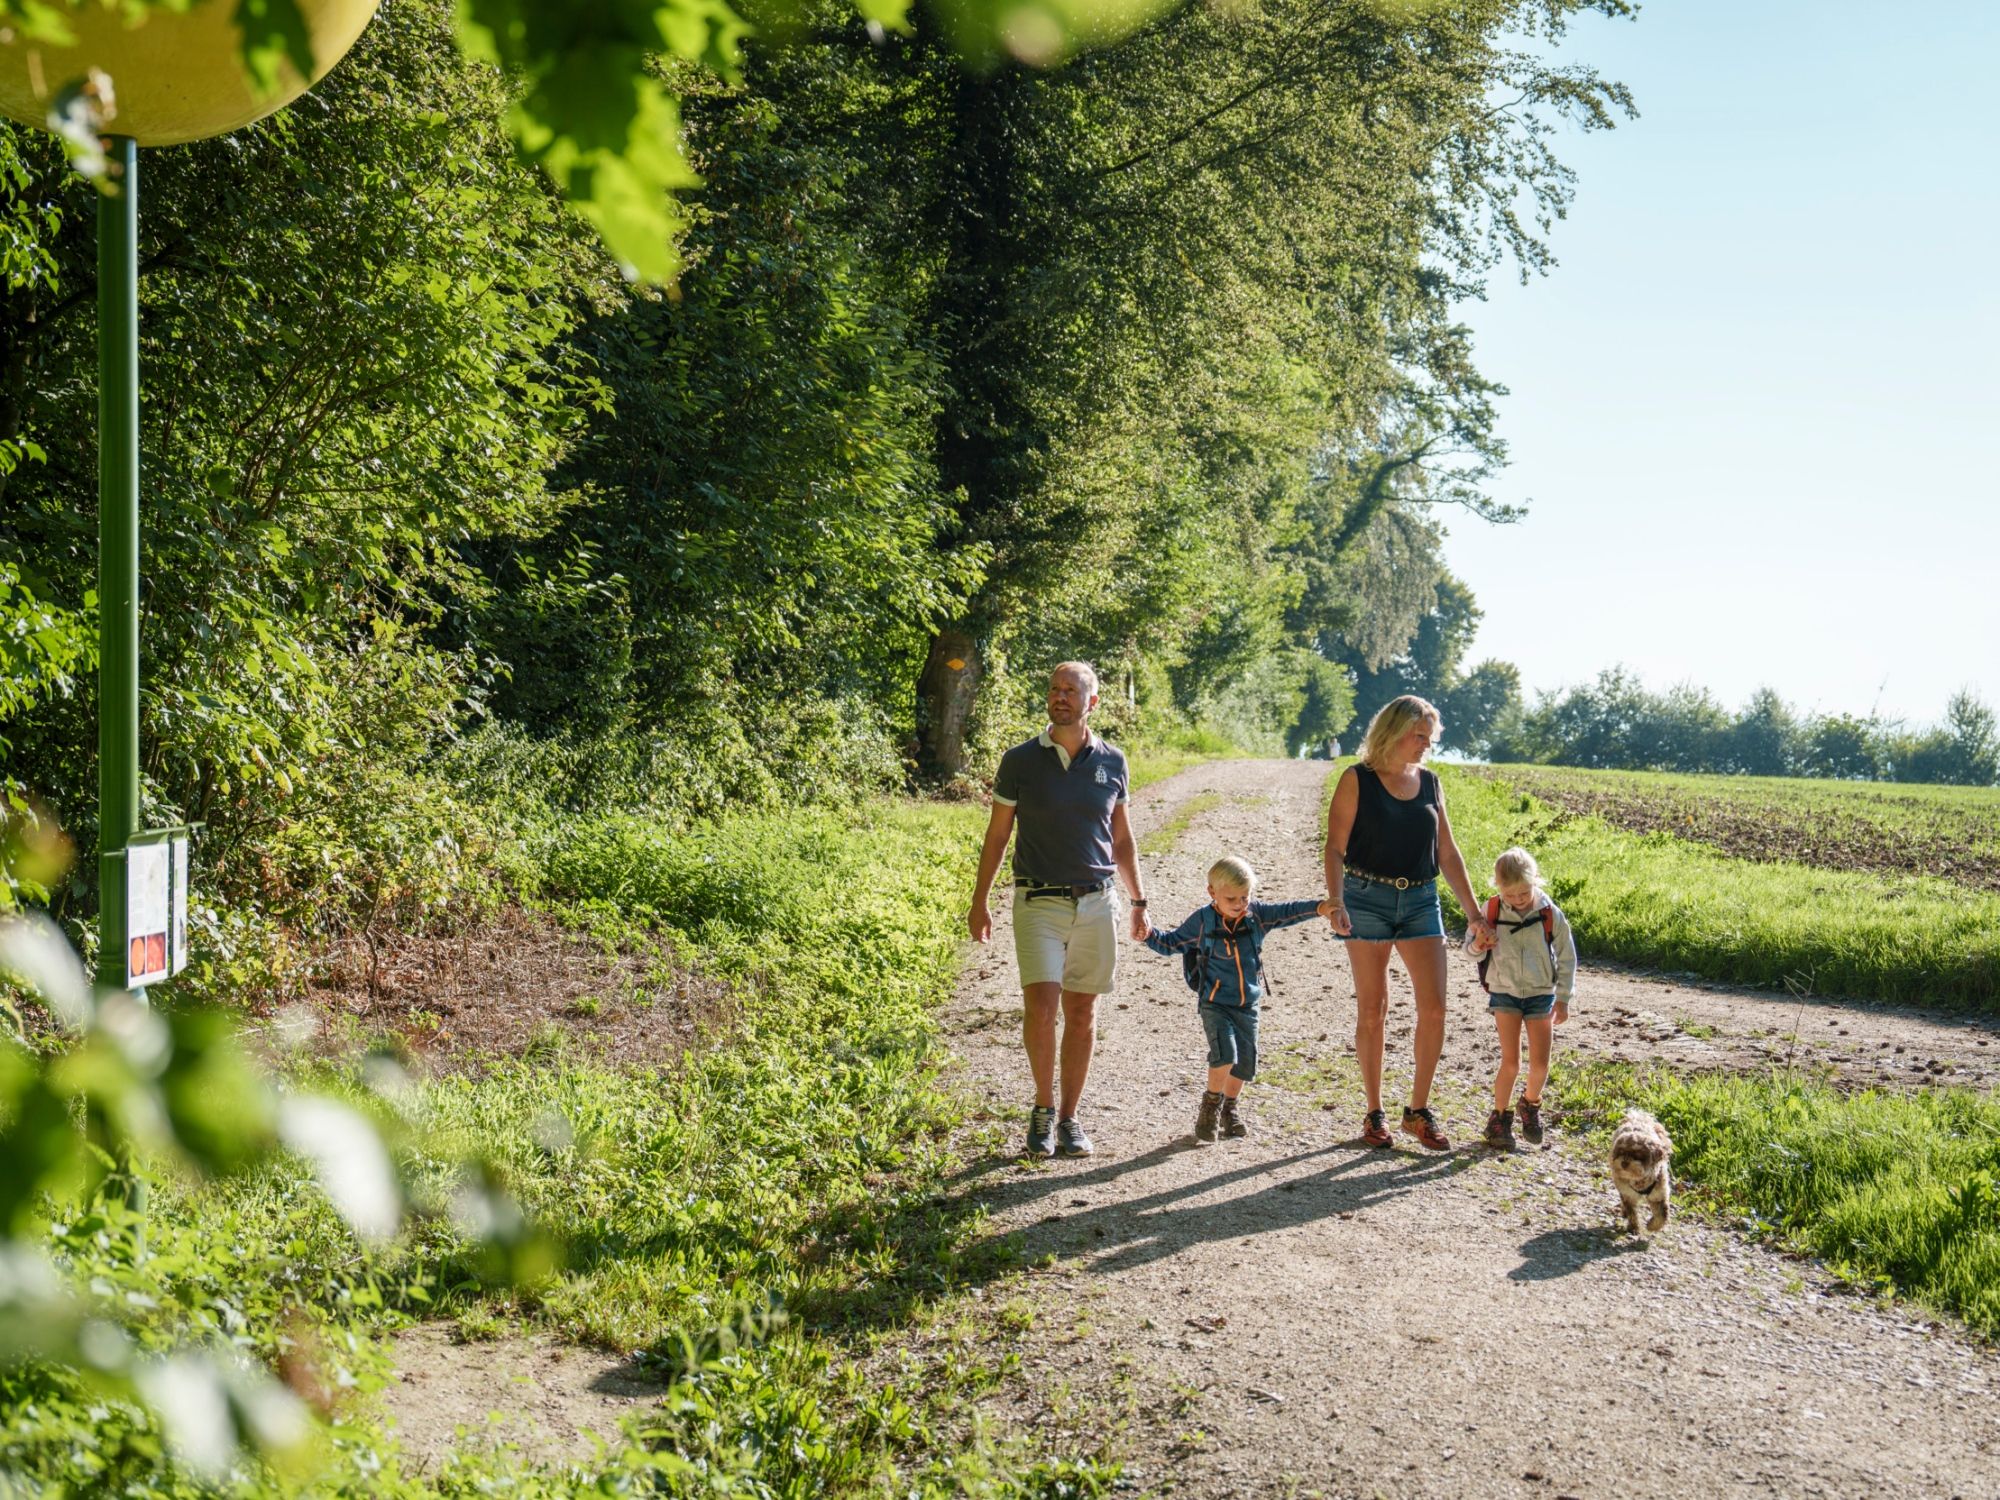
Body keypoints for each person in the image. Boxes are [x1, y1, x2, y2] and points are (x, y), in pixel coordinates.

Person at [968, 662, 1148, 1159]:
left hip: (1095, 901)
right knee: (1041, 1009)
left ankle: (1070, 1117)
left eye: (1071, 690)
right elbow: (998, 834)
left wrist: (1138, 901)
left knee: (1082, 1012)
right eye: (1054, 689)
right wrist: (980, 898)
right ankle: (1043, 1111)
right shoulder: (1020, 760)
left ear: (1091, 702)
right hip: (1037, 902)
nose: (1060, 697)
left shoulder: (1113, 760)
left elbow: (1122, 838)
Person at [1322, 694, 1493, 1150]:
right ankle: (1374, 1112)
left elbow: (1448, 854)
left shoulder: (1432, 783)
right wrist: (1336, 900)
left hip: (1420, 900)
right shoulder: (1357, 779)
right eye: (1420, 736)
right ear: (1394, 731)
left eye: (1430, 738)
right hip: (1366, 898)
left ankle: (1417, 1112)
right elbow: (1335, 847)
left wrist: (1474, 914)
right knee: (1373, 1010)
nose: (1426, 746)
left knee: (1435, 1007)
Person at [1141, 855, 1332, 1143]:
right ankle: (1211, 1106)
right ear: (1212, 893)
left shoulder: (1256, 917)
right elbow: (1172, 943)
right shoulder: (1202, 921)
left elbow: (1288, 911)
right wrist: (1147, 934)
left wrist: (1319, 908)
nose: (1240, 903)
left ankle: (1230, 1109)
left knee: (1244, 1063)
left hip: (1248, 1005)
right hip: (1215, 1003)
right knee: (1224, 1055)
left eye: (1245, 896)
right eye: (1232, 898)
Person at [1469, 847, 1577, 1149]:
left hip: (1541, 994)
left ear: (1535, 882)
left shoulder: (1548, 913)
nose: (1518, 900)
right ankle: (1499, 1119)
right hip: (1505, 992)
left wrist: (1564, 998)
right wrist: (1480, 943)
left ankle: (1530, 1105)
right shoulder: (1490, 910)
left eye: (1524, 893)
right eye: (1510, 894)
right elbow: (1469, 950)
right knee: (1511, 1062)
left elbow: (1567, 956)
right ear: (1498, 887)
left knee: (1540, 1064)